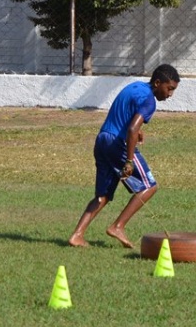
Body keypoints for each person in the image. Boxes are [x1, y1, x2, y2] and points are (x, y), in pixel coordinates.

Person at [69, 64, 180, 249]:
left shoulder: (134, 86)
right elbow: (131, 128)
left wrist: (137, 131)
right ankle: (118, 226)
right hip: (118, 144)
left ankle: (77, 235)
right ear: (158, 82)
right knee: (150, 187)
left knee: (102, 195)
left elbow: (125, 116)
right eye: (169, 89)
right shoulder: (149, 100)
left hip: (102, 139)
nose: (170, 94)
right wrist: (129, 160)